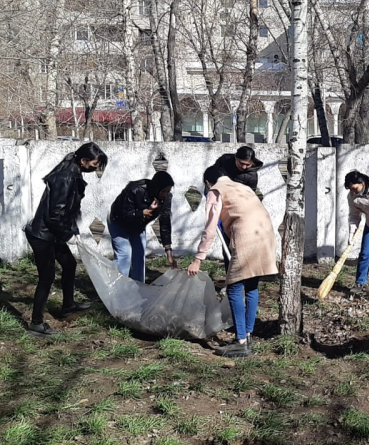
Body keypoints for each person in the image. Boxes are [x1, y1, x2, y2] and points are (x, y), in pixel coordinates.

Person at [188, 166, 278, 358]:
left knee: (234, 287)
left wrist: (198, 259)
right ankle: (247, 334)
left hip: (247, 238)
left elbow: (210, 229)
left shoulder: (216, 190)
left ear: (207, 182)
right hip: (266, 235)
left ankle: (240, 342)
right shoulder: (242, 187)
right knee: (252, 286)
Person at [24, 142, 108, 337]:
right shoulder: (65, 177)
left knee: (69, 264)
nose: (95, 168)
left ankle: (68, 306)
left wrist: (73, 230)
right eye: (95, 164)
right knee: (47, 277)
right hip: (42, 235)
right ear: (84, 161)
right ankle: (36, 323)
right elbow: (54, 215)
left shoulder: (73, 171)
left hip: (54, 232)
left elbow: (68, 211)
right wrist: (67, 235)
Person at [108, 171, 177, 282]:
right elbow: (125, 213)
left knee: (139, 254)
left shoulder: (166, 198)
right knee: (124, 254)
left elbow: (164, 223)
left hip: (138, 225)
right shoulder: (135, 189)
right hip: (118, 221)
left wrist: (168, 252)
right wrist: (142, 213)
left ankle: (138, 287)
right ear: (156, 188)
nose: (165, 194)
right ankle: (118, 288)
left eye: (168, 191)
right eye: (163, 191)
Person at [214, 146, 263, 270]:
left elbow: (249, 197)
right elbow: (213, 176)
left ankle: (241, 273)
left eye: (248, 164)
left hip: (237, 208)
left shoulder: (252, 175)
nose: (244, 167)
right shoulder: (224, 161)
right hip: (219, 202)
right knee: (225, 241)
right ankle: (229, 274)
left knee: (237, 242)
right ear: (236, 158)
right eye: (241, 163)